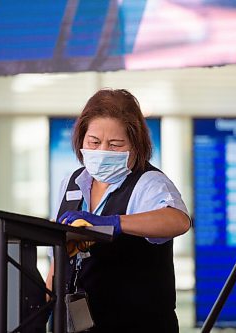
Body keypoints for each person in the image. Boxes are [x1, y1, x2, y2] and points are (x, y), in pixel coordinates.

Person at [46, 88, 191, 332]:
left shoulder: (148, 182)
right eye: (94, 142)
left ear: (135, 145)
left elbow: (177, 220)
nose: (102, 150)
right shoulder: (72, 183)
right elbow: (56, 264)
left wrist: (116, 223)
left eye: (115, 144)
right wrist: (41, 312)